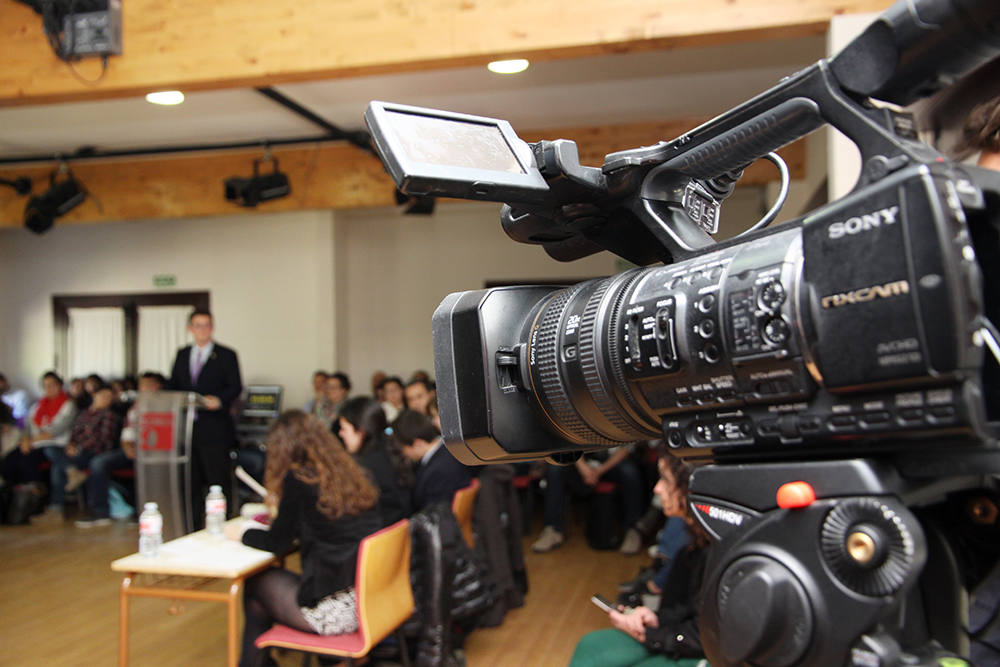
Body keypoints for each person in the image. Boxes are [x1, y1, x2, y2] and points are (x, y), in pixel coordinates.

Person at [224, 410, 382, 667]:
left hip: (337, 611)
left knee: (254, 585)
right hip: (370, 600)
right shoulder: (350, 473)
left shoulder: (299, 480)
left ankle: (253, 663)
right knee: (262, 593)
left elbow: (277, 543)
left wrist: (243, 533)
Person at [567, 453, 709, 667]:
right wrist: (655, 618)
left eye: (665, 480)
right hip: (684, 633)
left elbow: (705, 635)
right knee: (591, 645)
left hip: (709, 650)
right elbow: (691, 609)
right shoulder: (691, 545)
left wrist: (649, 635)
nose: (657, 489)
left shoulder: (715, 549)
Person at [166, 309, 243, 528]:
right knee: (190, 482)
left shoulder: (226, 354)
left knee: (217, 480)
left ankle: (224, 526)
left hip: (214, 428)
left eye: (206, 325)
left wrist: (219, 400)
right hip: (187, 429)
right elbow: (173, 384)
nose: (202, 329)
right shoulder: (183, 354)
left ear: (212, 327)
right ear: (190, 328)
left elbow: (235, 386)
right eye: (197, 325)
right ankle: (191, 527)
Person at [75, 372, 166, 528]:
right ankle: (101, 512)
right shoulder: (135, 408)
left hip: (156, 452)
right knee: (99, 462)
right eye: (142, 385)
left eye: (149, 385)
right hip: (133, 450)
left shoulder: (166, 406)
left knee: (147, 464)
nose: (145, 388)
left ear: (158, 386)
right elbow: (127, 434)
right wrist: (127, 447)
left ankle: (143, 511)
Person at [532, 446, 646, 555]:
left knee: (630, 472)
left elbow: (626, 449)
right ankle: (553, 529)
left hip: (611, 462)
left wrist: (598, 471)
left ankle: (633, 530)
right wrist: (583, 467)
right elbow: (570, 443)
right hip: (580, 459)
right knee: (555, 469)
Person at [337, 396, 412, 525]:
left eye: (344, 429)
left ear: (361, 431)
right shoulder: (389, 447)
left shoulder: (364, 465)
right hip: (400, 527)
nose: (340, 434)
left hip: (382, 531)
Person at [47, 383, 121, 511]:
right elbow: (74, 433)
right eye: (103, 396)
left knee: (57, 467)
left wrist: (78, 448)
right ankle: (72, 471)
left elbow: (102, 440)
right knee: (50, 449)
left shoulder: (109, 415)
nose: (106, 400)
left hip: (95, 452)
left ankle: (56, 508)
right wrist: (71, 445)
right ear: (94, 395)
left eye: (110, 397)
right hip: (78, 450)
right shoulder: (84, 413)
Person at [393, 409, 472, 512]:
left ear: (417, 443)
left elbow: (434, 513)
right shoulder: (450, 452)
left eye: (403, 448)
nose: (403, 453)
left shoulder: (438, 471)